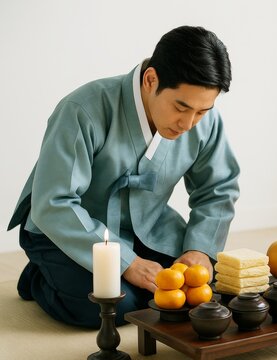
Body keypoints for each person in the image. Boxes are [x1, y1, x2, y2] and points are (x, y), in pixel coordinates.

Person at [7, 26, 240, 328]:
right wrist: (127, 263)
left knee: (202, 288)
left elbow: (217, 188)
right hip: (64, 230)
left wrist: (199, 250)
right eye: (181, 107)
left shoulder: (205, 122)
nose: (188, 123)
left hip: (145, 227)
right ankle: (38, 276)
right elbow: (54, 202)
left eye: (202, 111)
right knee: (114, 305)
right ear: (150, 79)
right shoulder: (82, 109)